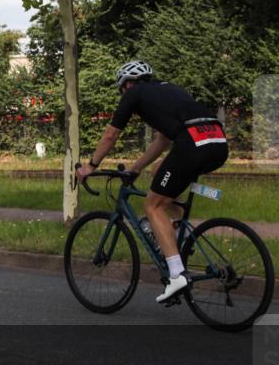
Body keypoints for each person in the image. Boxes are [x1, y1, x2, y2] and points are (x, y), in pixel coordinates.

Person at [76, 61, 228, 303]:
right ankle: (179, 236)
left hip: (191, 146)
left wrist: (90, 166)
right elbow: (163, 140)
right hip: (217, 143)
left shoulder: (133, 94)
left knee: (152, 205)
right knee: (161, 174)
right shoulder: (168, 90)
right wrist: (137, 168)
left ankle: (177, 274)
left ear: (126, 85)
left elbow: (111, 135)